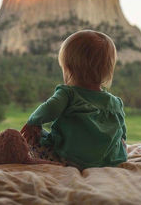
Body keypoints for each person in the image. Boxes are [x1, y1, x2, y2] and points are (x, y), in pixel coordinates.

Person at [21, 30, 127, 170]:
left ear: (69, 69)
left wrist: (33, 122)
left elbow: (50, 109)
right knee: (119, 140)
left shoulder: (68, 94)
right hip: (111, 160)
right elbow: (122, 133)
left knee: (34, 137)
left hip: (70, 159)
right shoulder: (116, 102)